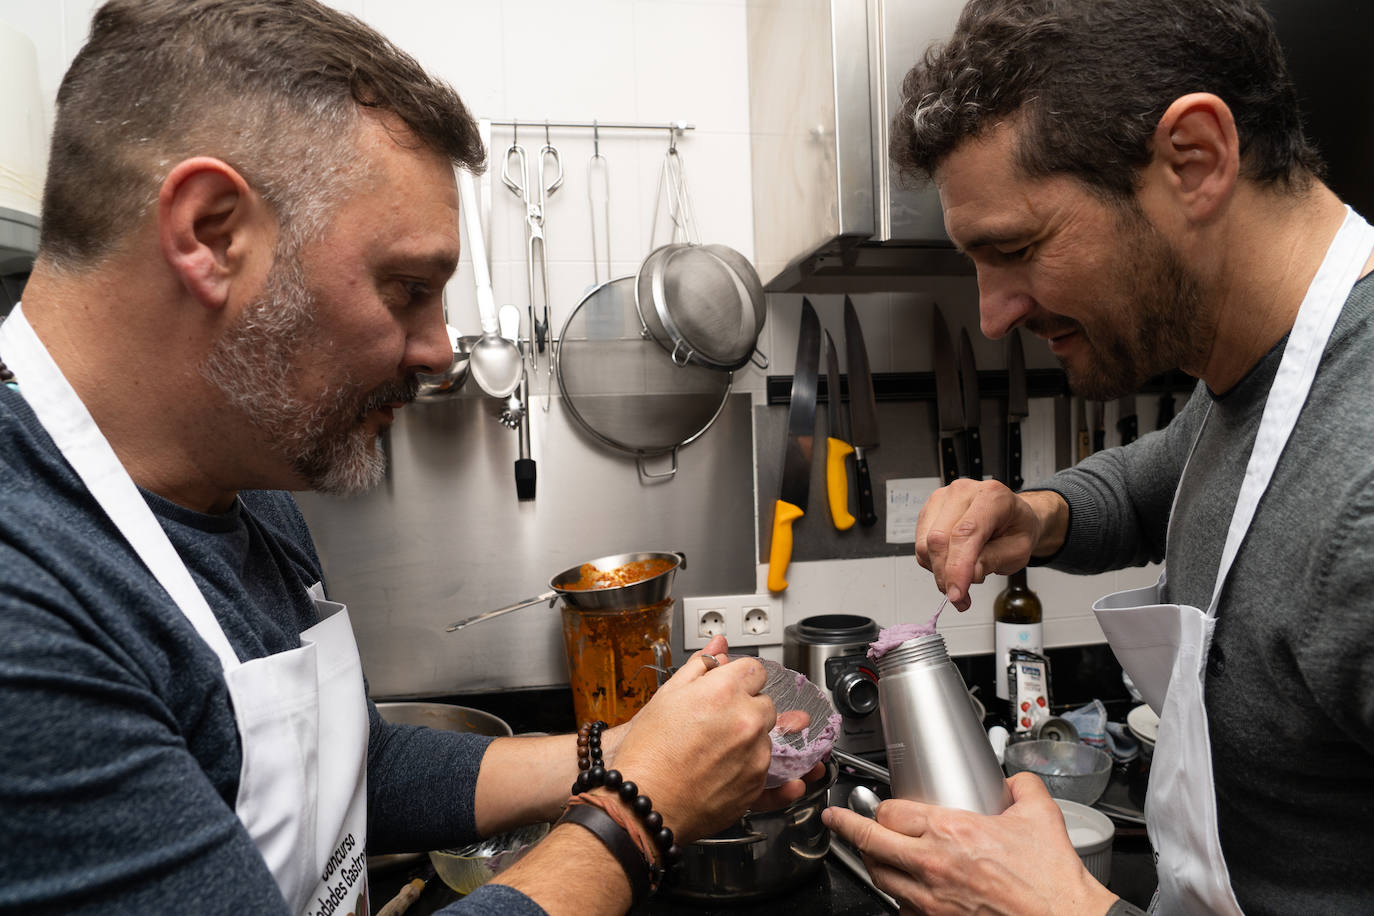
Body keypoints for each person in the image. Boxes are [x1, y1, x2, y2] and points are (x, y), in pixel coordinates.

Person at [0, 2, 813, 914]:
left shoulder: (241, 481)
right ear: (211, 231)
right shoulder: (27, 610)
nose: (436, 351)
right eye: (409, 289)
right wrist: (641, 808)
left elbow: (356, 770)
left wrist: (621, 750)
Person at [822, 0, 1374, 913]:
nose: (992, 314)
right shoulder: (1258, 377)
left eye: (1017, 248)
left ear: (1193, 160)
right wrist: (1034, 516)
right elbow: (1163, 473)